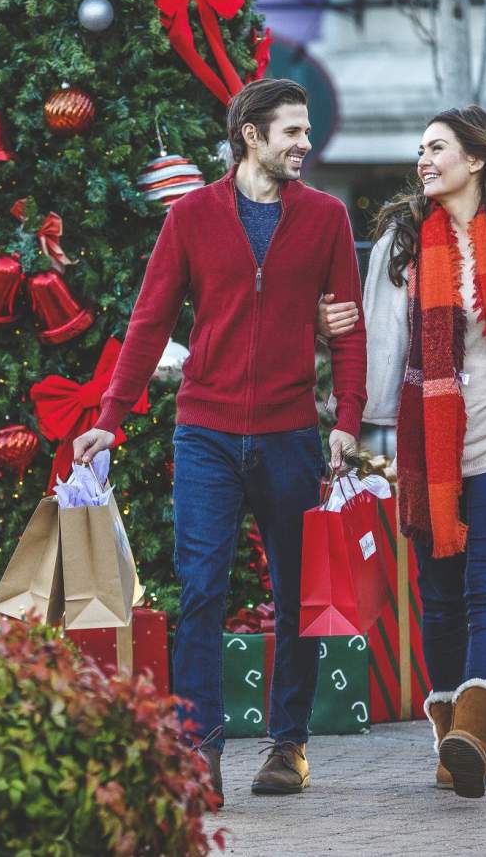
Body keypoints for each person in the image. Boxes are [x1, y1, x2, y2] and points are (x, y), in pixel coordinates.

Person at [73, 78, 367, 805]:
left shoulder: (326, 218)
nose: (304, 144)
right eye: (292, 133)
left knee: (298, 590)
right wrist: (111, 413)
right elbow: (147, 322)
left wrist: (346, 421)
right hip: (204, 431)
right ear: (250, 136)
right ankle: (198, 751)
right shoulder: (193, 217)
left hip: (293, 433)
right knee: (200, 590)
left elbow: (349, 329)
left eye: (305, 133)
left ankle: (287, 745)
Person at [321, 104, 486, 800]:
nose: (423, 160)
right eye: (418, 149)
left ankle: (472, 733)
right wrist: (354, 419)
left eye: (437, 148)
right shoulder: (401, 240)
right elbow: (379, 345)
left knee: (483, 592)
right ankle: (452, 743)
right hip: (429, 446)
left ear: (475, 160)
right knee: (440, 600)